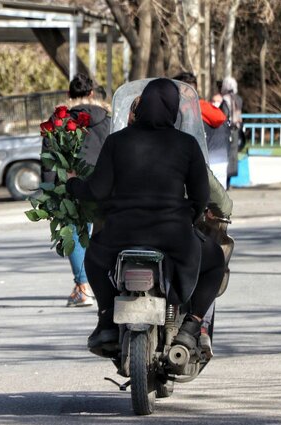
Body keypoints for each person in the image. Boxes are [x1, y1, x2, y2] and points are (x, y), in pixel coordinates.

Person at [66, 78, 225, 355]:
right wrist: (192, 216)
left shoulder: (117, 141)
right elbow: (200, 195)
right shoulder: (186, 144)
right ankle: (191, 326)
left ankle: (106, 320)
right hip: (173, 236)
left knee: (92, 257)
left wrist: (72, 184)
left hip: (122, 233)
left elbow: (98, 190)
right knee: (215, 262)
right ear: (174, 109)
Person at [41, 73, 111, 307]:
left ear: (68, 95)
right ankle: (100, 283)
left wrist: (50, 189)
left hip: (69, 181)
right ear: (92, 93)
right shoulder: (107, 119)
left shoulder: (58, 119)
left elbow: (49, 158)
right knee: (100, 232)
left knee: (73, 231)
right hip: (102, 181)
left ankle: (83, 286)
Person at [173, 72, 229, 187]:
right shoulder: (207, 107)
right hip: (220, 161)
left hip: (206, 164)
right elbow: (221, 119)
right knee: (218, 203)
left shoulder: (188, 109)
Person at [221, 77, 244, 189]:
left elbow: (223, 116)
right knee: (233, 155)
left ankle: (224, 180)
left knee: (225, 155)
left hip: (226, 130)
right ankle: (229, 181)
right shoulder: (238, 99)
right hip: (236, 130)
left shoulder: (224, 100)